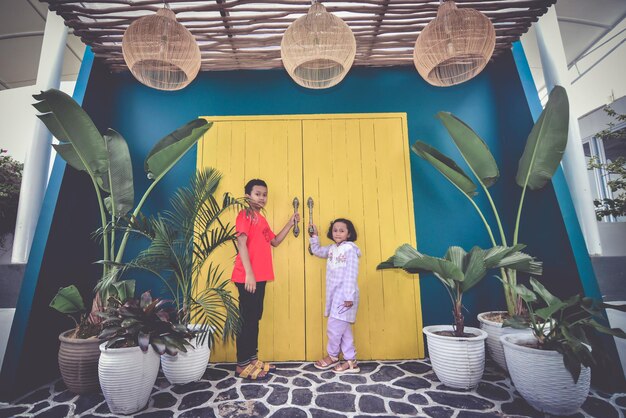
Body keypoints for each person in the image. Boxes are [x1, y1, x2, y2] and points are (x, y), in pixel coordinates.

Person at [232, 179, 300, 380]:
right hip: (247, 277)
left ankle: (252, 359)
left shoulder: (261, 219)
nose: (262, 198)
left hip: (260, 277)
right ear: (248, 196)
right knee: (246, 320)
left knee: (254, 318)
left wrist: (291, 222)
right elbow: (241, 244)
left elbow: (275, 241)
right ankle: (241, 364)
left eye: (264, 194)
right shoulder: (244, 215)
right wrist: (249, 274)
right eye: (257, 194)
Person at [310, 218, 361, 373]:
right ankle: (350, 361)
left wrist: (348, 296)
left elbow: (351, 274)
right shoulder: (332, 248)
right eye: (335, 230)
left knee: (333, 327)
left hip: (345, 296)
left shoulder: (350, 249)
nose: (337, 233)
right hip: (335, 295)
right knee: (344, 329)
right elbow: (317, 251)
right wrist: (314, 237)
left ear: (349, 233)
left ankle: (332, 356)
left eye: (342, 230)